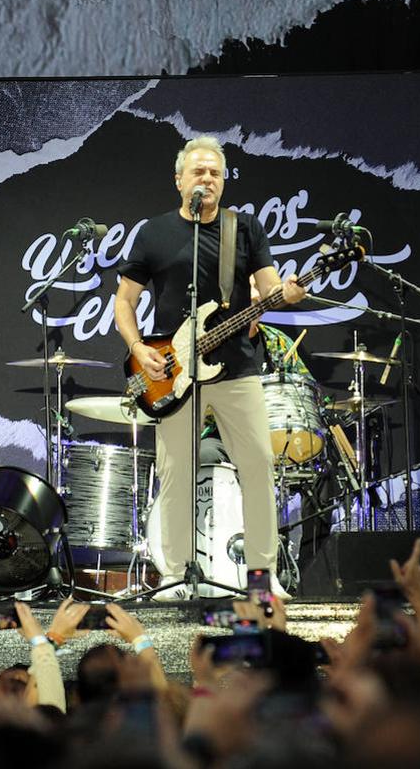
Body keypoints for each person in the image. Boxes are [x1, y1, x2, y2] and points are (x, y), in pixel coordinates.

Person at [115, 136, 305, 600]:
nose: (207, 179)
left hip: (237, 369)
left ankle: (262, 578)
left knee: (258, 466)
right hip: (173, 373)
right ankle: (178, 576)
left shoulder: (245, 229)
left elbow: (269, 288)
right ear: (179, 179)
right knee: (176, 472)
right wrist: (139, 348)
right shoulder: (154, 233)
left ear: (224, 182)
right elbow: (124, 300)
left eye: (215, 173)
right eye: (198, 172)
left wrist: (287, 294)